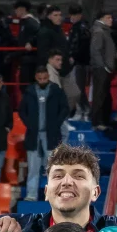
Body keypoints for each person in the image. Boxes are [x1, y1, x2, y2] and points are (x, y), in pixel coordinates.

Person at [20, 65, 69, 199]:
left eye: (45, 78)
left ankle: (53, 196)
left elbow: (65, 108)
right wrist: (29, 124)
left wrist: (56, 124)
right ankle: (31, 195)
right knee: (33, 169)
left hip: (51, 136)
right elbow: (22, 111)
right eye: (40, 78)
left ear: (48, 76)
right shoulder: (29, 91)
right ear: (36, 77)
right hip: (33, 136)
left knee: (53, 169)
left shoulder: (56, 91)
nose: (42, 80)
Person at [87, 10, 117, 132]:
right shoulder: (99, 31)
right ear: (102, 18)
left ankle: (102, 121)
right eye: (108, 17)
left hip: (105, 68)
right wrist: (103, 66)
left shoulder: (104, 31)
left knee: (104, 95)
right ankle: (97, 122)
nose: (111, 20)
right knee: (99, 95)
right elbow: (95, 50)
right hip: (101, 69)